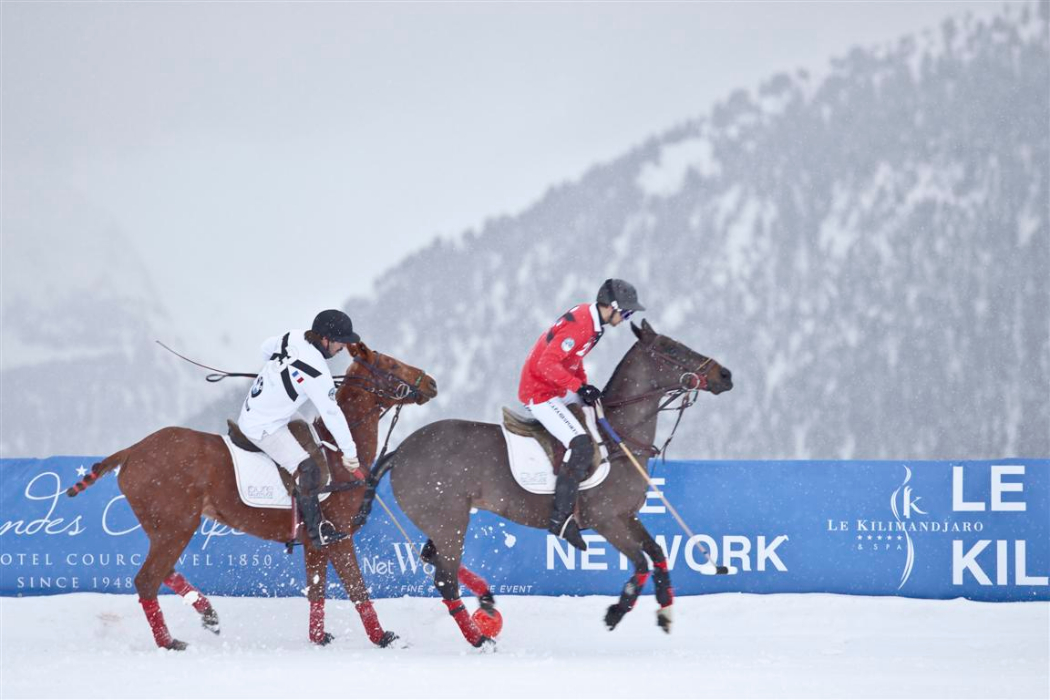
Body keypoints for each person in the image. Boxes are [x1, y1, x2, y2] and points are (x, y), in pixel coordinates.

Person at [518, 279, 646, 551]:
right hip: (540, 392)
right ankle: (561, 518)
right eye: (625, 312)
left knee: (597, 412)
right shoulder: (582, 324)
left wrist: (585, 386)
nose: (626, 318)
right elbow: (546, 364)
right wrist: (577, 387)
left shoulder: (594, 324)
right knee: (580, 443)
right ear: (611, 307)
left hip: (555, 386)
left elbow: (573, 360)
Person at [238, 309, 362, 548]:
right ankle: (316, 534)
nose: (343, 349)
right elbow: (332, 414)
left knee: (310, 434)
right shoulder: (317, 372)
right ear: (326, 339)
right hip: (263, 427)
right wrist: (350, 453)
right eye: (341, 343)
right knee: (309, 471)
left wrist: (276, 371)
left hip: (258, 408)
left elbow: (266, 348)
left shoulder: (291, 336)